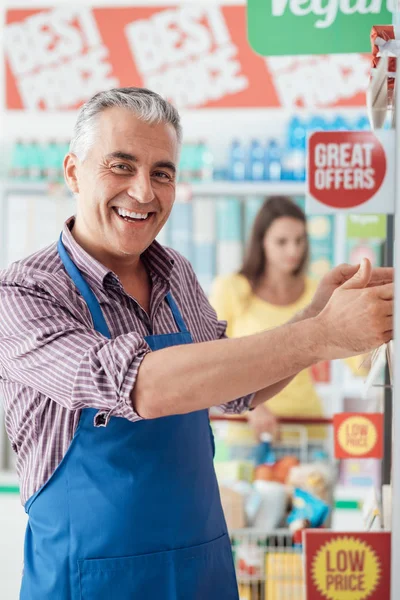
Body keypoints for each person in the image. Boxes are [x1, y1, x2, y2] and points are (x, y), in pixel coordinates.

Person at [0, 87, 393, 600]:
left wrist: (317, 312)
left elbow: (235, 392)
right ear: (73, 172)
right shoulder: (25, 292)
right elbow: (140, 386)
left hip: (201, 572)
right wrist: (319, 334)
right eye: (121, 166)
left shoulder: (175, 272)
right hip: (90, 583)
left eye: (162, 172)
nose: (143, 192)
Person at [210, 196, 324, 441]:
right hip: (248, 429)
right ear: (262, 242)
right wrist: (253, 405)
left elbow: (355, 356)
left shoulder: (318, 291)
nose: (293, 250)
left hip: (307, 425)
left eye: (299, 240)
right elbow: (212, 360)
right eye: (282, 242)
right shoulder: (231, 289)